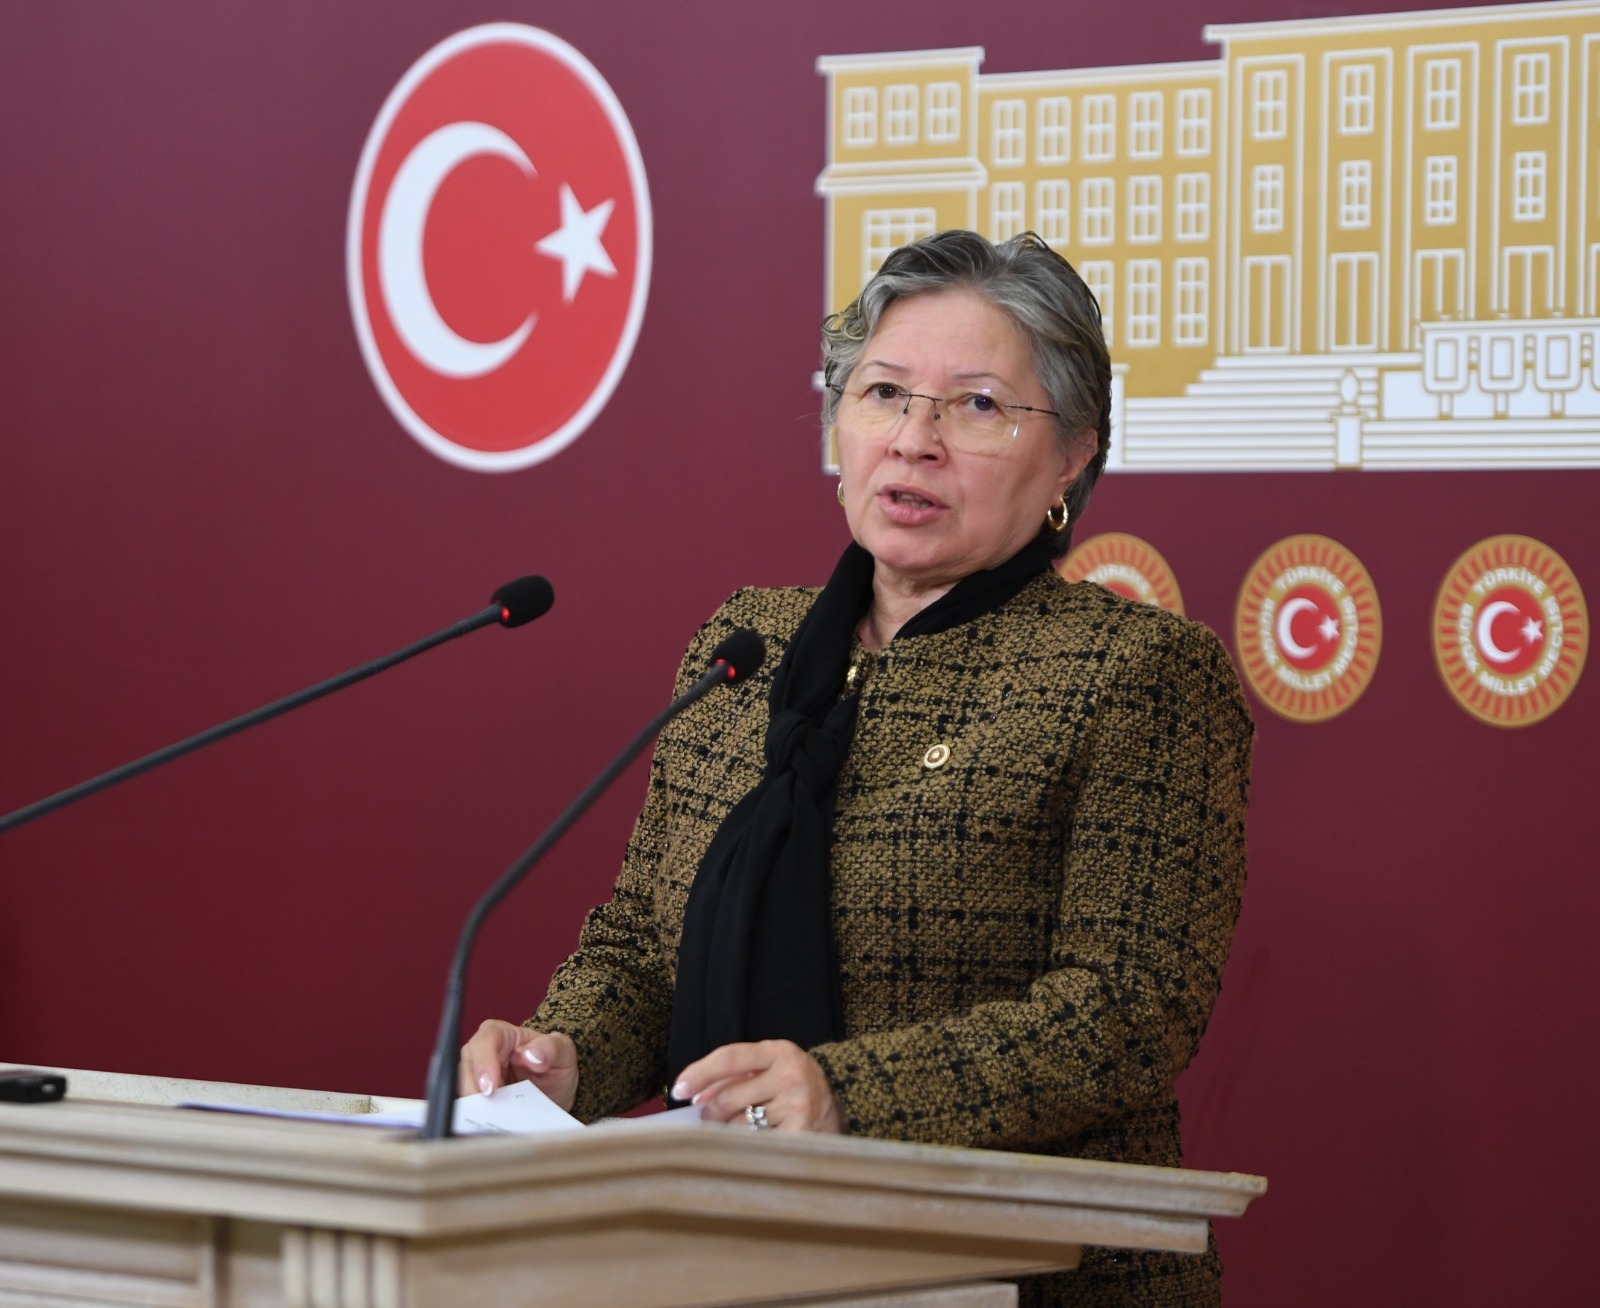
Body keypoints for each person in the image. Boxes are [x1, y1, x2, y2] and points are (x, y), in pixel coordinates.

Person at [461, 230, 1252, 1307]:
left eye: (977, 406)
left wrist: (846, 1094)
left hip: (1023, 1274)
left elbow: (1126, 1013)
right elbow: (645, 948)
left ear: (1072, 454)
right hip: (728, 1259)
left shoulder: (1135, 672)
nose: (914, 441)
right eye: (883, 394)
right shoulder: (745, 650)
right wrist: (567, 1057)